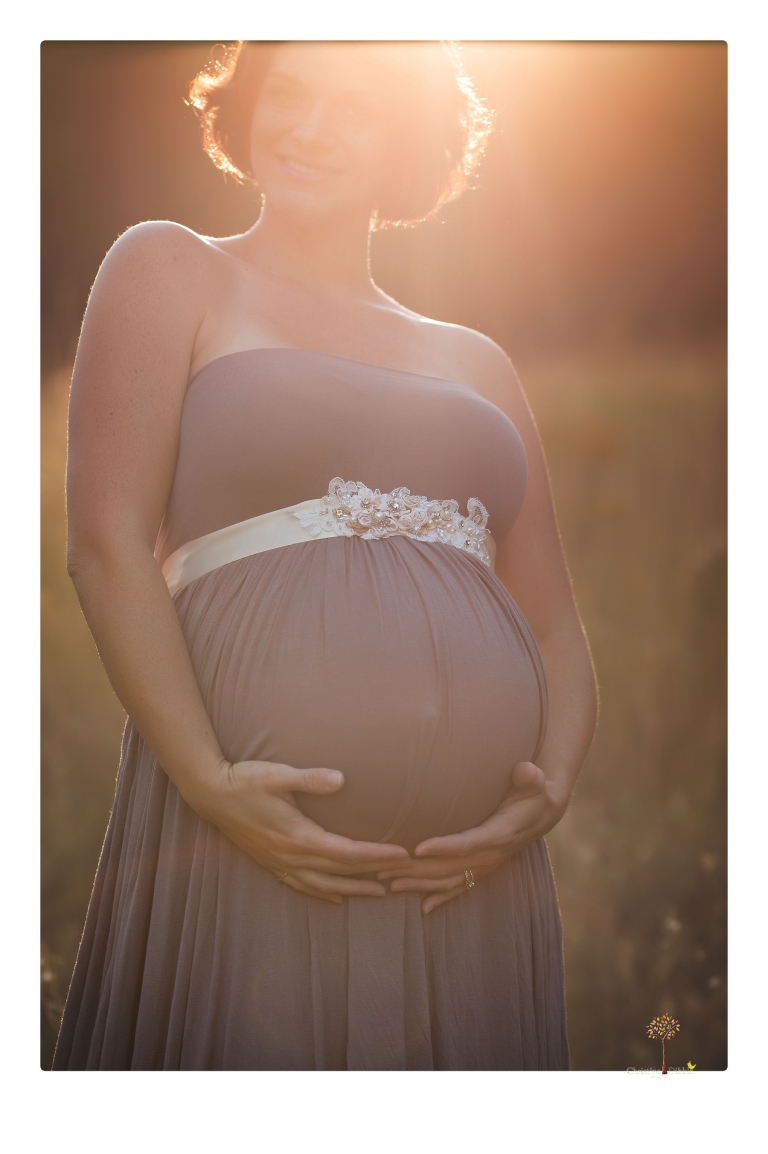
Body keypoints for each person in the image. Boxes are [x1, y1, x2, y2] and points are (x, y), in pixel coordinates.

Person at [53, 39, 597, 1071]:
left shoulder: (476, 358)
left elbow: (555, 622)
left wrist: (550, 784)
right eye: (288, 95)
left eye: (354, 107)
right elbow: (104, 546)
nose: (308, 127)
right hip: (249, 834)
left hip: (475, 878)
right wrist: (211, 785)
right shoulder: (172, 267)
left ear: (407, 139)